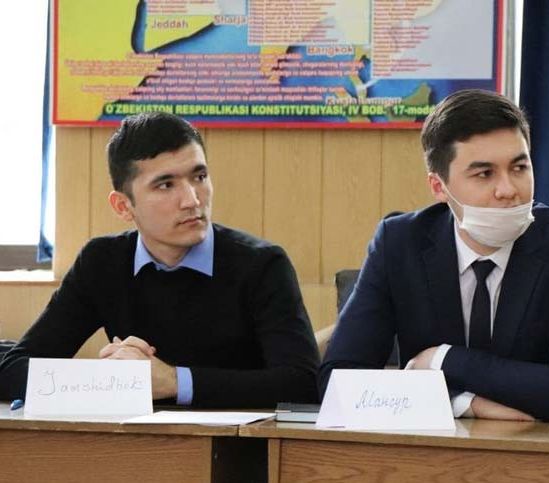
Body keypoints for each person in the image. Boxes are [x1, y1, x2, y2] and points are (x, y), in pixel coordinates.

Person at [320, 89, 549, 421]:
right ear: (439, 187)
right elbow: (337, 382)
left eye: (519, 167)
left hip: (540, 446)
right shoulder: (400, 244)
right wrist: (465, 404)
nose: (508, 190)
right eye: (484, 174)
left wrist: (444, 359)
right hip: (435, 446)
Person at [0, 112, 320, 408]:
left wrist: (173, 382)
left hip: (237, 444)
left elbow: (302, 382)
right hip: (134, 441)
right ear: (124, 206)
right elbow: (14, 367)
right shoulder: (102, 262)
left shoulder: (262, 264)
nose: (192, 200)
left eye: (199, 176)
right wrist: (110, 379)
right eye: (166, 185)